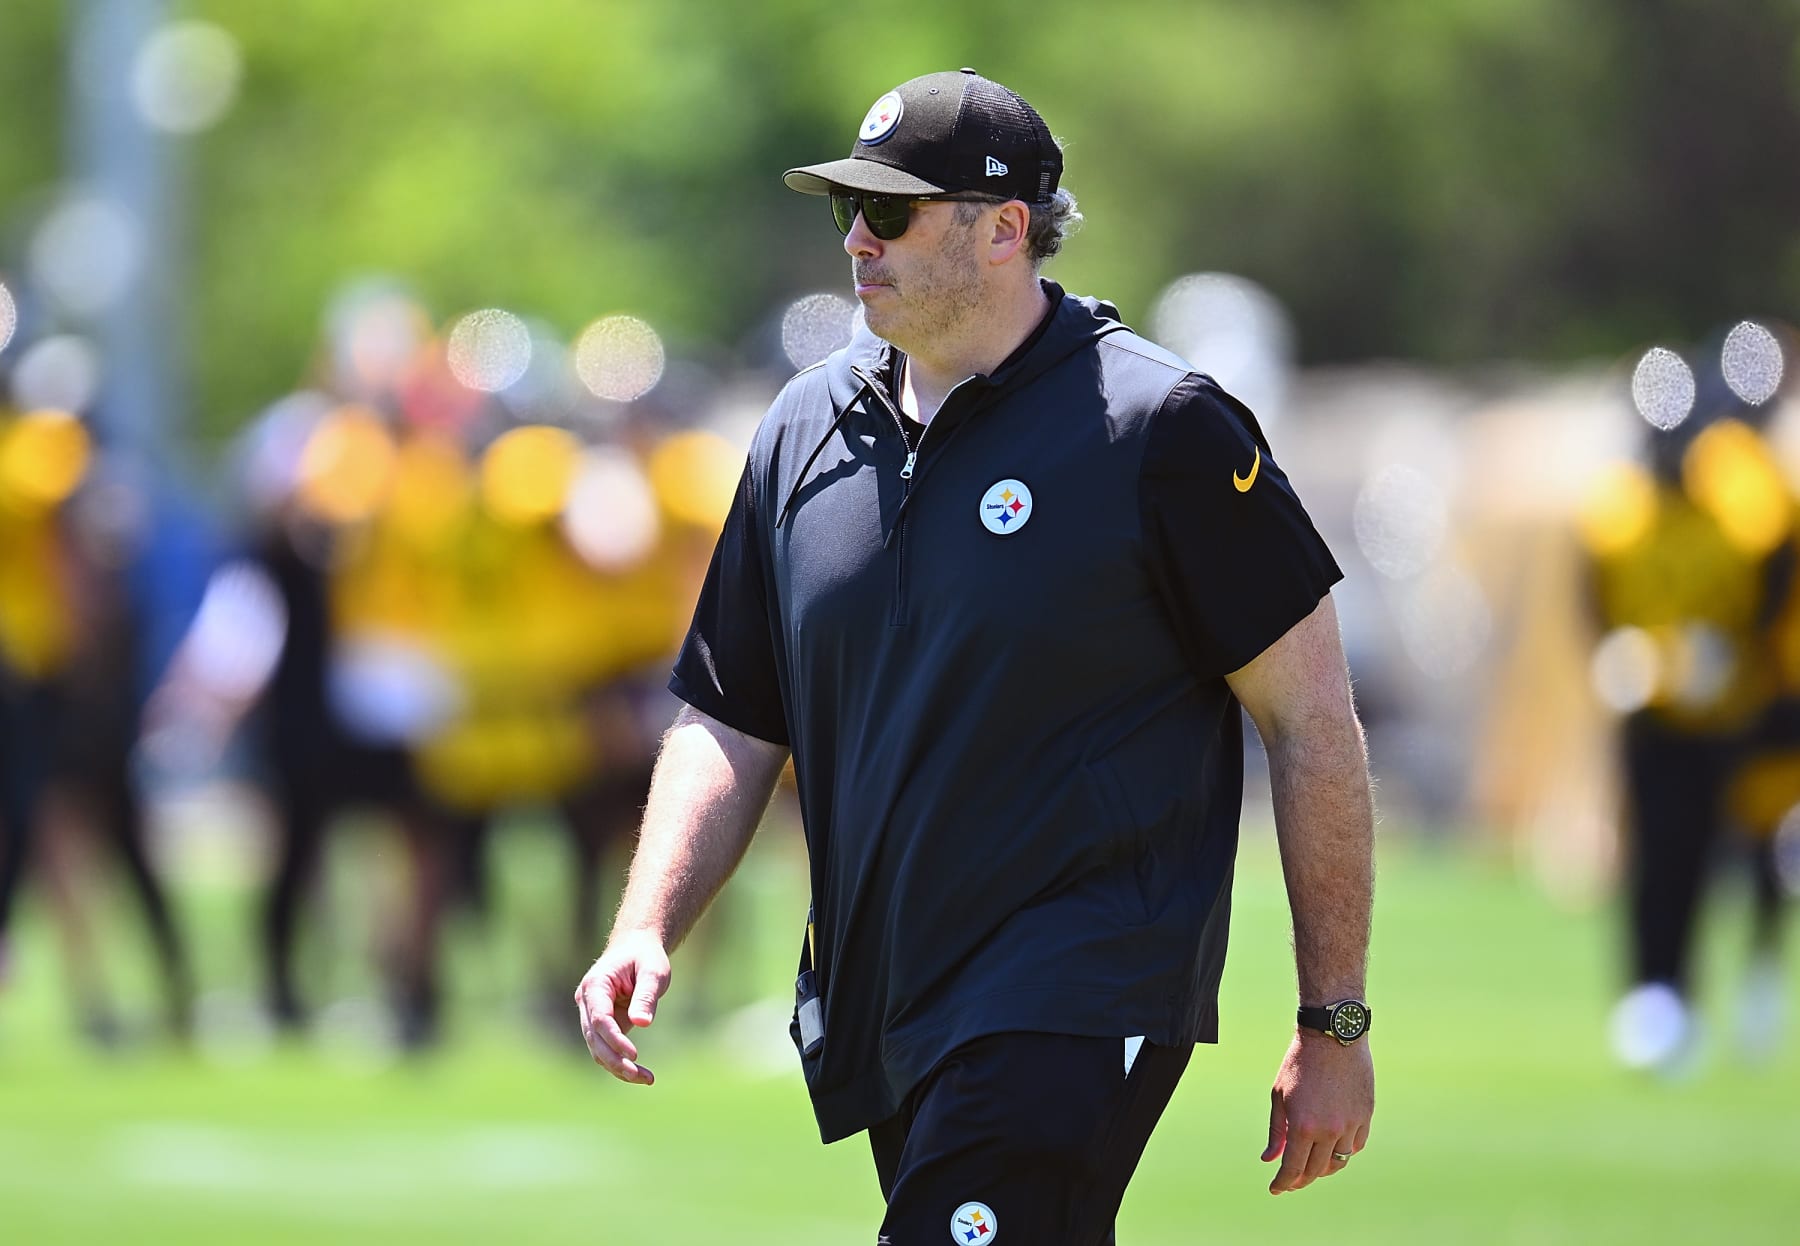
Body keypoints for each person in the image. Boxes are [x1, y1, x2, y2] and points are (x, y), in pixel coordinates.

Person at [575, 69, 1375, 1240]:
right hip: (888, 998)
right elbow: (733, 714)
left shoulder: (1164, 430)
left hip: (1079, 984)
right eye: (848, 207)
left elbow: (1311, 722)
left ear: (1007, 229)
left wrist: (1333, 1023)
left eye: (892, 212)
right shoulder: (801, 429)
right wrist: (645, 921)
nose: (857, 237)